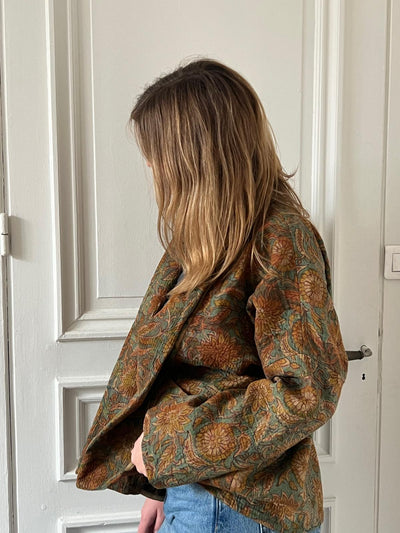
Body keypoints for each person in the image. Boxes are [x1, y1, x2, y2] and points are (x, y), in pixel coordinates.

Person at [75, 57, 348, 533]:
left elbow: (306, 390)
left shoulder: (279, 239)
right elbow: (184, 372)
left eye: (159, 152)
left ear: (197, 156)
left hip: (238, 507)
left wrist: (166, 448)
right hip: (198, 494)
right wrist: (162, 488)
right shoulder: (205, 240)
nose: (151, 165)